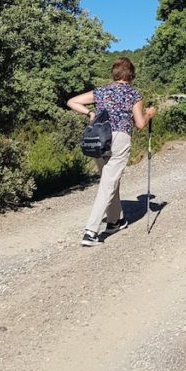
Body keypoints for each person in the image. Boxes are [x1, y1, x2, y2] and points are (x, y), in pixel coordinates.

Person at [68, 57, 155, 247]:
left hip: (100, 138)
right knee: (109, 183)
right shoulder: (133, 94)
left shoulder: (101, 92)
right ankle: (90, 232)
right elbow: (140, 124)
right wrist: (149, 114)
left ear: (114, 74)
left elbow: (72, 101)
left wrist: (90, 114)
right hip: (120, 138)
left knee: (109, 179)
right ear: (131, 75)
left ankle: (114, 221)